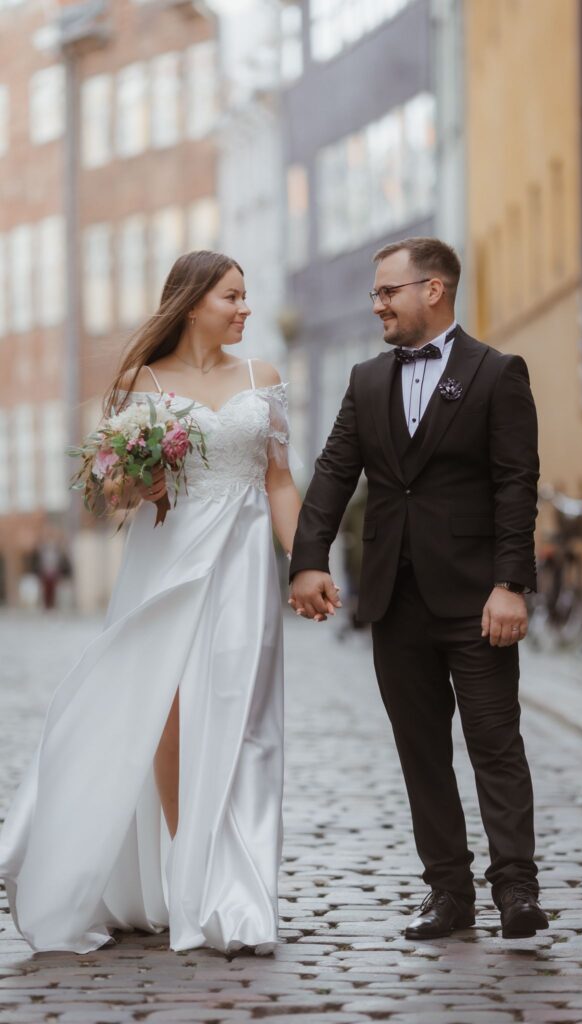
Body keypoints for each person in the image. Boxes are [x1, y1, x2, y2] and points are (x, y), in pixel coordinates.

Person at [0, 250, 302, 955]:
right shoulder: (143, 382)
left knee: (240, 711)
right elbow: (119, 496)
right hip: (166, 560)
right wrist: (134, 480)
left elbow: (281, 480)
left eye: (247, 297)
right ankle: (182, 875)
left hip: (244, 558)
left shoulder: (264, 378)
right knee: (162, 708)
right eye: (233, 296)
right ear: (195, 301)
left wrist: (306, 563)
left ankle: (233, 876)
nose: (245, 309)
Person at [289, 237, 549, 941]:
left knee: (495, 743)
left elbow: (514, 485)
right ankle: (448, 895)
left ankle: (516, 892)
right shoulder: (366, 380)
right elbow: (334, 472)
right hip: (392, 599)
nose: (376, 303)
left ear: (432, 290)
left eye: (386, 292)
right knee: (420, 751)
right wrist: (307, 560)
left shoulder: (496, 374)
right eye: (376, 293)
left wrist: (510, 584)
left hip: (476, 600)